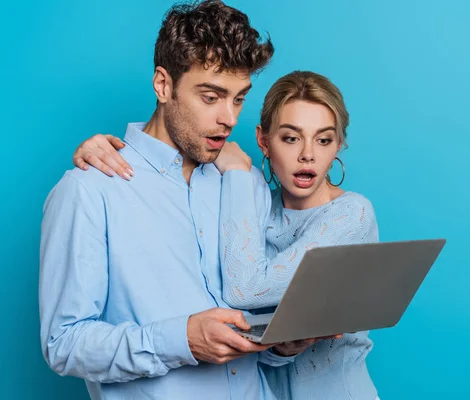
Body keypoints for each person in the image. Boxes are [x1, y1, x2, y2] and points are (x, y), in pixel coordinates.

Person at [39, 2, 317, 399]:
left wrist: (281, 347)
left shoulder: (244, 183)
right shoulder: (90, 190)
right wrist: (180, 339)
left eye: (238, 99)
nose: (229, 118)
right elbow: (62, 344)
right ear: (163, 85)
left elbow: (250, 325)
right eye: (211, 97)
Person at [73, 71, 381, 399]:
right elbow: (249, 328)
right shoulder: (255, 205)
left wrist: (235, 172)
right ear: (263, 141)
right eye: (291, 138)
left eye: (324, 139)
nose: (308, 154)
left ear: (339, 146)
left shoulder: (351, 215)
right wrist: (114, 150)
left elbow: (246, 290)